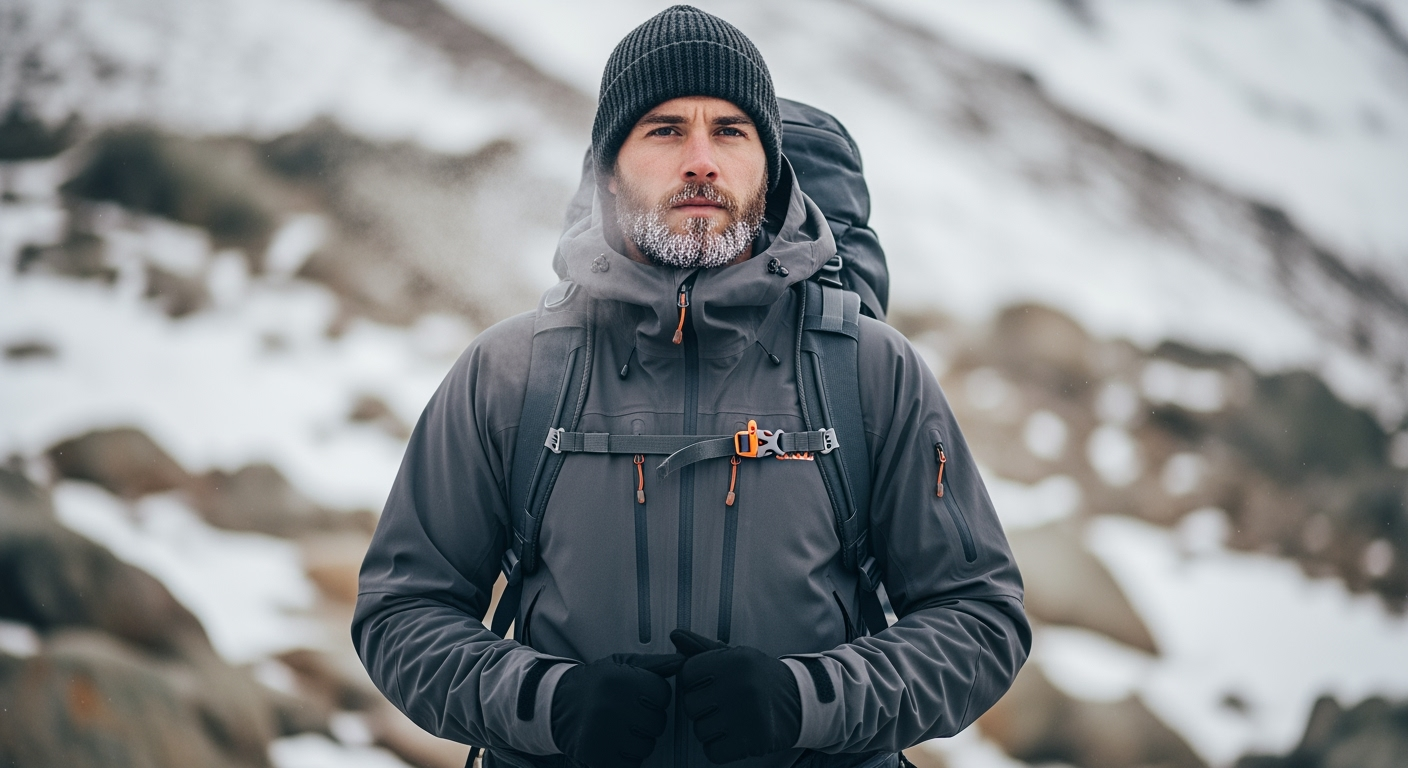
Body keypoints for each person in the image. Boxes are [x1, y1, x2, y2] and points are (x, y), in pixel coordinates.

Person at [353, 6, 1029, 768]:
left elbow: (981, 618)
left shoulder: (872, 371)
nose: (700, 159)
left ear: (770, 168)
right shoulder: (511, 372)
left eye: (731, 131)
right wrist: (550, 703)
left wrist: (809, 700)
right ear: (610, 168)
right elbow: (401, 613)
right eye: (666, 130)